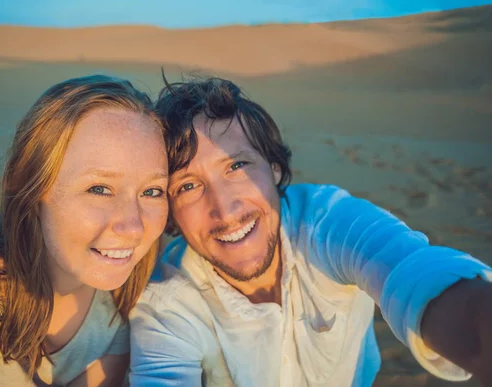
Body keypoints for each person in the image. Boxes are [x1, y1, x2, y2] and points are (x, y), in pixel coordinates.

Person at [128, 76, 492, 386]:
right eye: (188, 186)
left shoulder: (328, 223)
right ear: (169, 208)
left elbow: (416, 274)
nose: (225, 210)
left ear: (273, 167)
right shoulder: (166, 304)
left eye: (237, 165)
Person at [0, 75, 169, 386]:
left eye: (152, 191)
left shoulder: (124, 320)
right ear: (32, 191)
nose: (133, 226)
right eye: (99, 188)